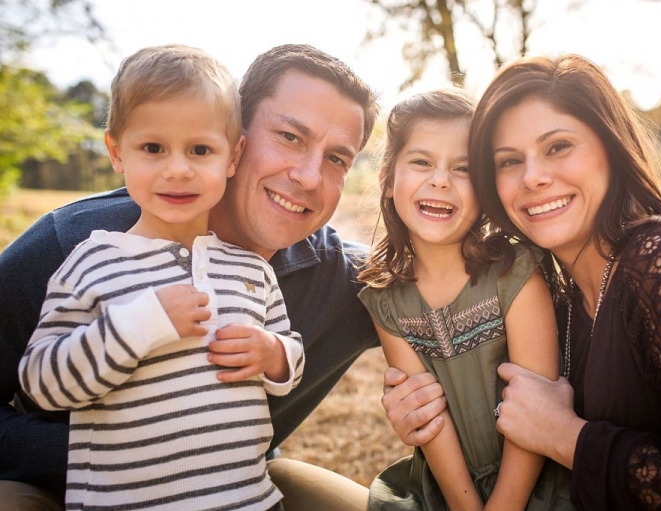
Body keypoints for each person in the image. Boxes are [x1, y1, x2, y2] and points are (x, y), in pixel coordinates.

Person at [0, 43, 380, 511]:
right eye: (290, 137)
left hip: (240, 489)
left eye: (337, 159)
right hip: (65, 489)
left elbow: (446, 281)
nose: (307, 176)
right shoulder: (73, 246)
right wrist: (133, 452)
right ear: (236, 139)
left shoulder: (339, 275)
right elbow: (40, 377)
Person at [465, 53, 661, 509]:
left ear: (610, 145)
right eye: (509, 161)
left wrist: (566, 437)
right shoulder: (557, 297)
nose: (533, 177)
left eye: (558, 146)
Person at [357, 89, 571, 511]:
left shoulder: (515, 272)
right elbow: (426, 417)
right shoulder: (386, 302)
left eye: (463, 168)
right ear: (386, 177)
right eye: (421, 162)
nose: (440, 180)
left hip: (537, 483)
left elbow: (536, 406)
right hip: (446, 490)